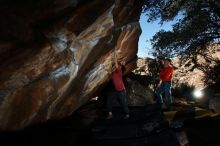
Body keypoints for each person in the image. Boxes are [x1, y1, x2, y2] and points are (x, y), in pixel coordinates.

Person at [106, 52, 130, 119]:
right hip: (115, 89)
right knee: (109, 100)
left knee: (123, 103)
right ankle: (110, 114)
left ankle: (127, 114)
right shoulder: (114, 71)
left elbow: (116, 63)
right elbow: (110, 70)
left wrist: (114, 54)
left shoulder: (119, 69)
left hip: (121, 90)